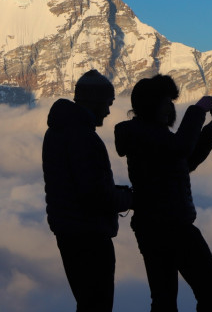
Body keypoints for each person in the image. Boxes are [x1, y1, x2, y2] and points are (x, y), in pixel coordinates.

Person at [114, 74, 212, 312]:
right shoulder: (145, 133)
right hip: (173, 227)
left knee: (164, 300)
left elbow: (181, 163)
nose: (171, 107)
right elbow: (181, 149)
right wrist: (198, 110)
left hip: (152, 228)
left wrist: (210, 133)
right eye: (167, 101)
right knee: (211, 294)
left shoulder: (147, 134)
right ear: (153, 104)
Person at [43, 69, 133, 312]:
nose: (108, 110)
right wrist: (130, 198)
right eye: (108, 103)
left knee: (87, 303)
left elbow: (80, 184)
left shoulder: (57, 131)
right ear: (95, 102)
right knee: (97, 305)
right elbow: (94, 195)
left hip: (68, 231)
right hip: (88, 235)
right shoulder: (82, 137)